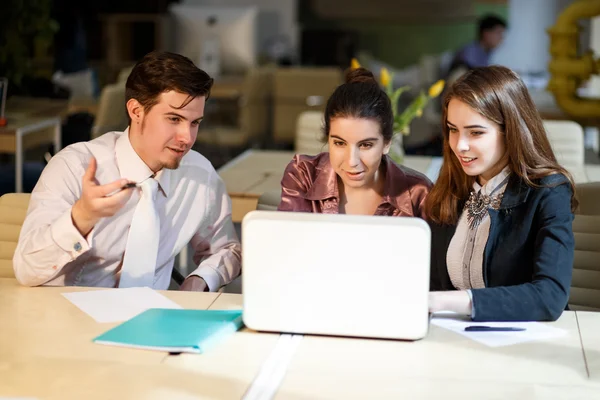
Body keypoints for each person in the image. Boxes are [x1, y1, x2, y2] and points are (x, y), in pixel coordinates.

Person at [13, 51, 241, 292]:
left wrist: (202, 279)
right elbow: (27, 271)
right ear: (136, 111)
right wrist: (81, 217)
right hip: (65, 317)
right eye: (174, 119)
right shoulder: (74, 166)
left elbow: (227, 249)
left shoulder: (199, 174)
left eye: (194, 123)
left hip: (151, 323)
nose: (187, 137)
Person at [426, 66, 577, 322]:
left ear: (511, 131)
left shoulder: (549, 191)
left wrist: (441, 301)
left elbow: (550, 295)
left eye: (476, 132)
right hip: (453, 340)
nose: (459, 145)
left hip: (526, 345)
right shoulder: (451, 185)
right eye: (453, 129)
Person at [278, 68, 431, 217]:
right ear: (328, 137)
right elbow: (287, 239)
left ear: (387, 143)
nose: (352, 162)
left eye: (365, 145)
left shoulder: (418, 193)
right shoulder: (304, 176)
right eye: (339, 143)